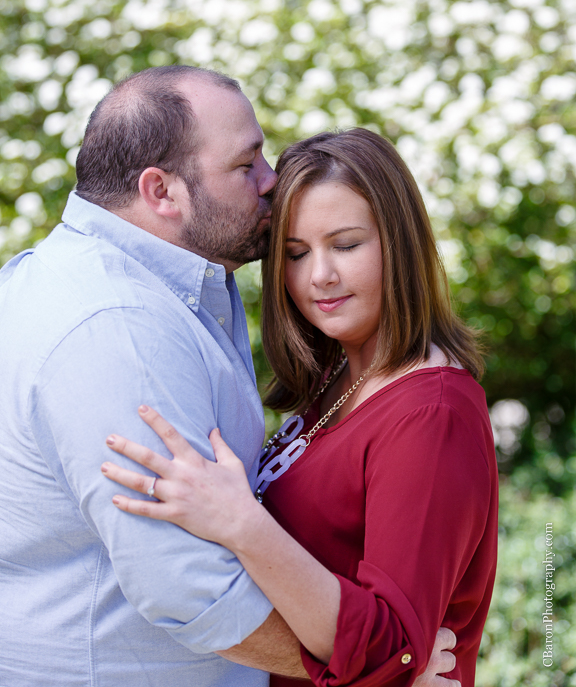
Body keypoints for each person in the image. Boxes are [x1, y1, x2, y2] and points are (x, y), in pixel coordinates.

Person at [0, 68, 457, 687]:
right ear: (162, 191)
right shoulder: (119, 326)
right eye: (246, 166)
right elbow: (187, 585)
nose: (272, 181)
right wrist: (374, 674)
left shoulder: (88, 282)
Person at [101, 128, 499, 687]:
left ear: (400, 243)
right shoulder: (339, 378)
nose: (319, 277)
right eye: (295, 253)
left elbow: (396, 648)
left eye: (346, 245)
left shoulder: (432, 412)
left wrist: (241, 524)